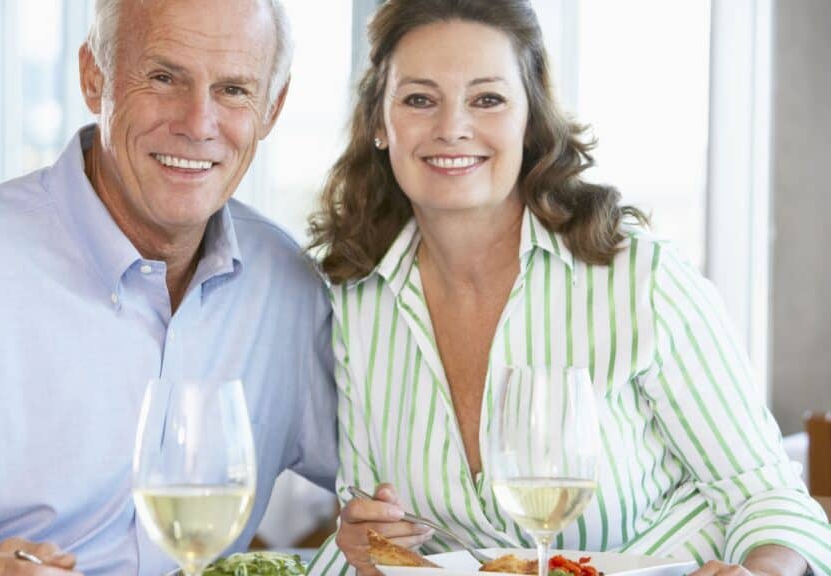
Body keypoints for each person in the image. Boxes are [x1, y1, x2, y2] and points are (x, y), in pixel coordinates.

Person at [0, 0, 338, 574]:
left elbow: (401, 480)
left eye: (234, 90)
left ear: (273, 107)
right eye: (164, 78)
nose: (198, 123)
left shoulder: (289, 288)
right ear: (94, 77)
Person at [305, 1, 831, 575]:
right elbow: (379, 538)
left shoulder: (639, 278)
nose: (452, 126)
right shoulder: (357, 302)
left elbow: (772, 502)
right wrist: (366, 542)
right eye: (419, 99)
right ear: (380, 124)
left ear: (530, 120)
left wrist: (762, 572)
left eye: (487, 99)